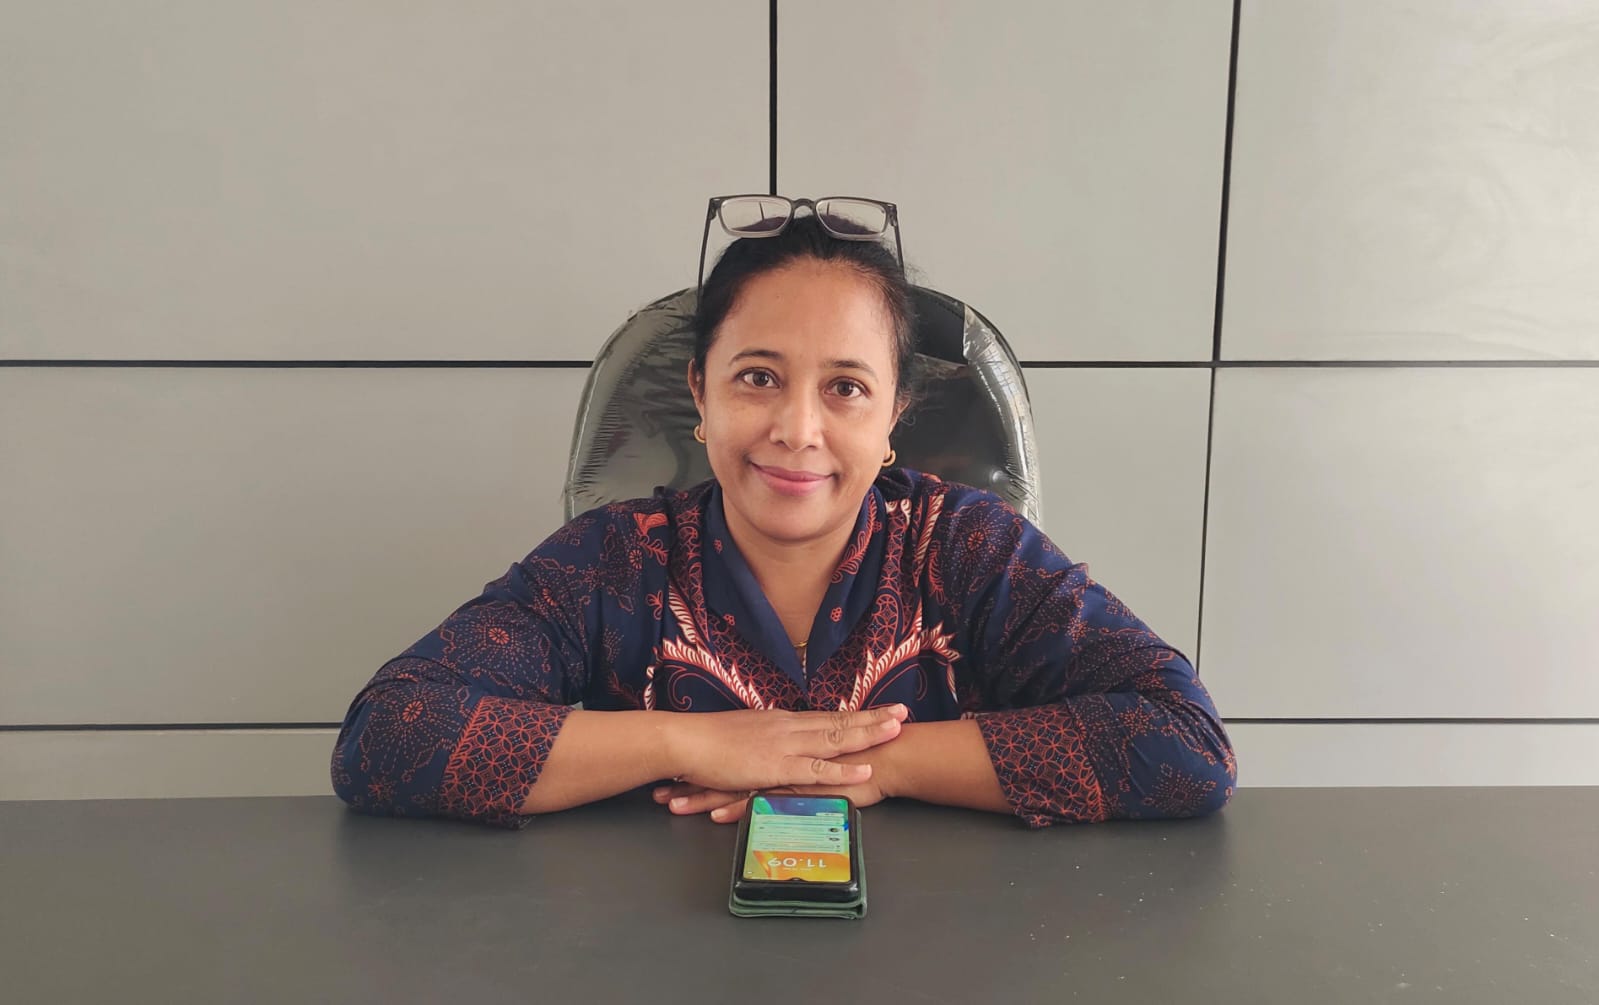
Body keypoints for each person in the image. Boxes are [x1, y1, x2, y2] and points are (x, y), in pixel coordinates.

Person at [331, 199, 1236, 830]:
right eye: (757, 377)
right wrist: (696, 741)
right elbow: (388, 738)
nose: (797, 429)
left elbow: (1183, 743)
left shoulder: (967, 547)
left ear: (893, 416)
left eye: (846, 388)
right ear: (700, 392)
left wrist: (871, 765)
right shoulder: (614, 559)